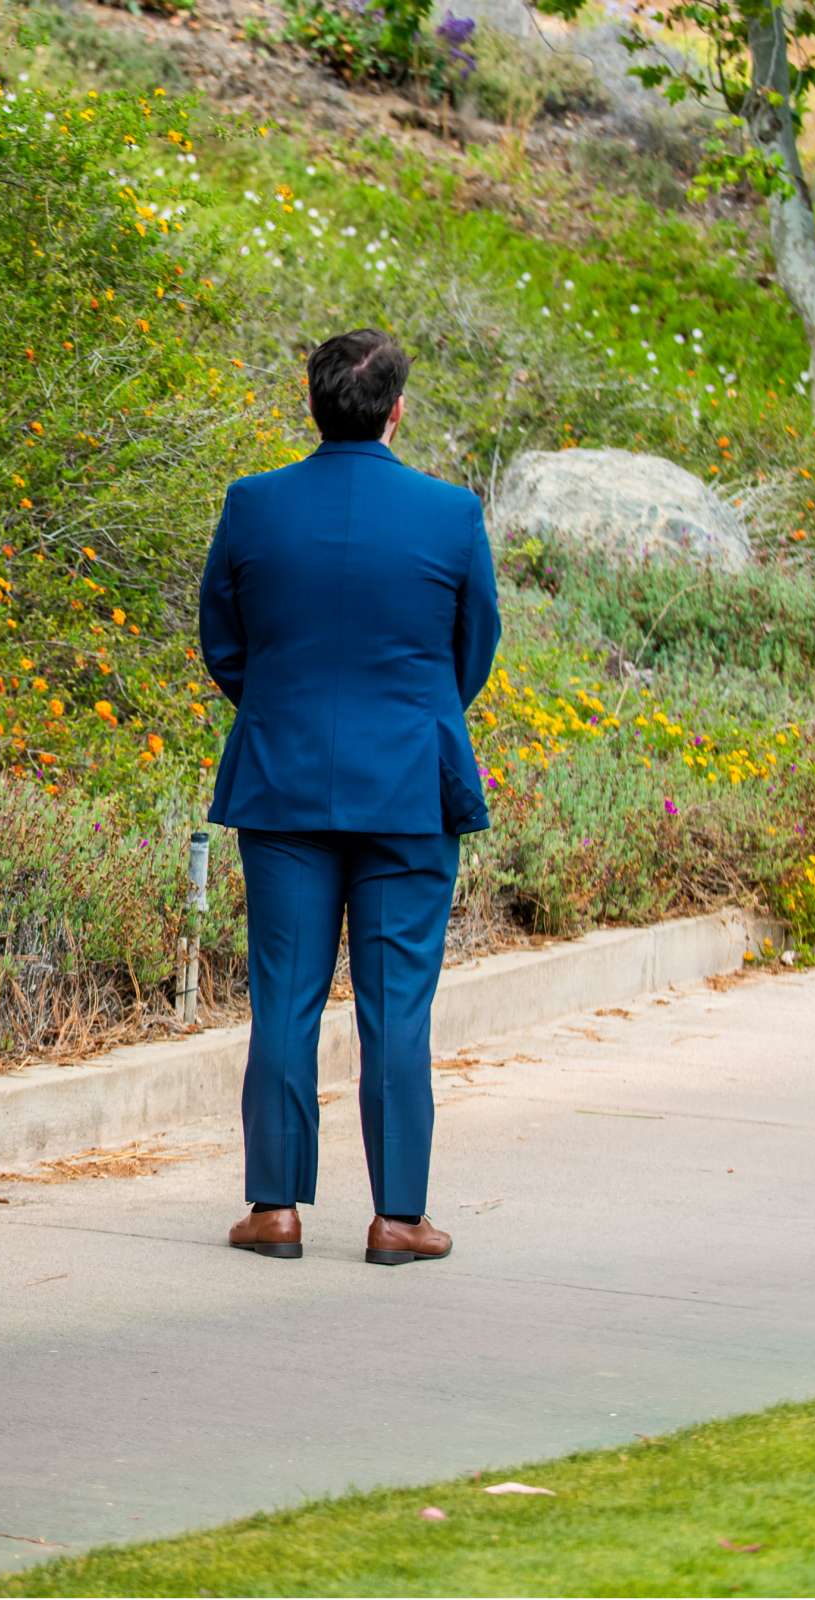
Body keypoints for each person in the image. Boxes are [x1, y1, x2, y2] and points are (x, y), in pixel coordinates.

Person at [198, 328, 501, 1268]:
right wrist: (415, 716)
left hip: (285, 782)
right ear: (397, 410)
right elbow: (473, 650)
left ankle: (276, 1210)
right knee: (396, 1010)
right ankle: (397, 1218)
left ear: (311, 402)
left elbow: (224, 641)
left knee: (283, 1001)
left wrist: (287, 708)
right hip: (411, 788)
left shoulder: (253, 506)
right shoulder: (450, 514)